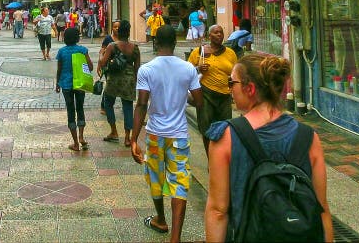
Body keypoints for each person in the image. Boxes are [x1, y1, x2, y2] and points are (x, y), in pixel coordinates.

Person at [204, 53, 333, 243]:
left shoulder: (226, 138)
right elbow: (321, 209)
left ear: (250, 88)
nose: (230, 89)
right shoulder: (308, 137)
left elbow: (218, 211)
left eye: (232, 83)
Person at [131, 24, 203, 242]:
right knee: (180, 182)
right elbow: (198, 101)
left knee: (155, 178)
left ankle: (160, 219)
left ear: (155, 42)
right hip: (180, 134)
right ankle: (175, 237)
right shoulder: (188, 69)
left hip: (154, 134)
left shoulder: (147, 70)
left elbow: (142, 104)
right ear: (174, 43)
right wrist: (183, 96)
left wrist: (134, 139)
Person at [187, 24, 237, 153]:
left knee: (225, 129)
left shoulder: (230, 53)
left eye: (221, 32)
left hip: (224, 97)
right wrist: (198, 68)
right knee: (206, 129)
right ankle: (211, 159)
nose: (219, 35)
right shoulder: (199, 52)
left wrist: (233, 86)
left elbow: (235, 73)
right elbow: (186, 72)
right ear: (209, 36)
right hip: (205, 95)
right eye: (216, 32)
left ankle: (222, 157)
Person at [99, 20, 140, 147]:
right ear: (128, 33)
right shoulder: (135, 48)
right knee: (127, 107)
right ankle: (127, 137)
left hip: (114, 80)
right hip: (129, 80)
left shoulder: (112, 46)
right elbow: (137, 68)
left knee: (108, 104)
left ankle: (114, 131)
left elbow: (103, 63)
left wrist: (101, 55)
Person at [55, 27, 93, 152]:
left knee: (70, 111)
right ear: (77, 38)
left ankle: (76, 143)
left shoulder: (61, 52)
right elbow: (90, 67)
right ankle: (81, 136)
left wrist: (57, 83)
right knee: (80, 108)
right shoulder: (82, 50)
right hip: (80, 85)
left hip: (66, 85)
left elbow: (59, 69)